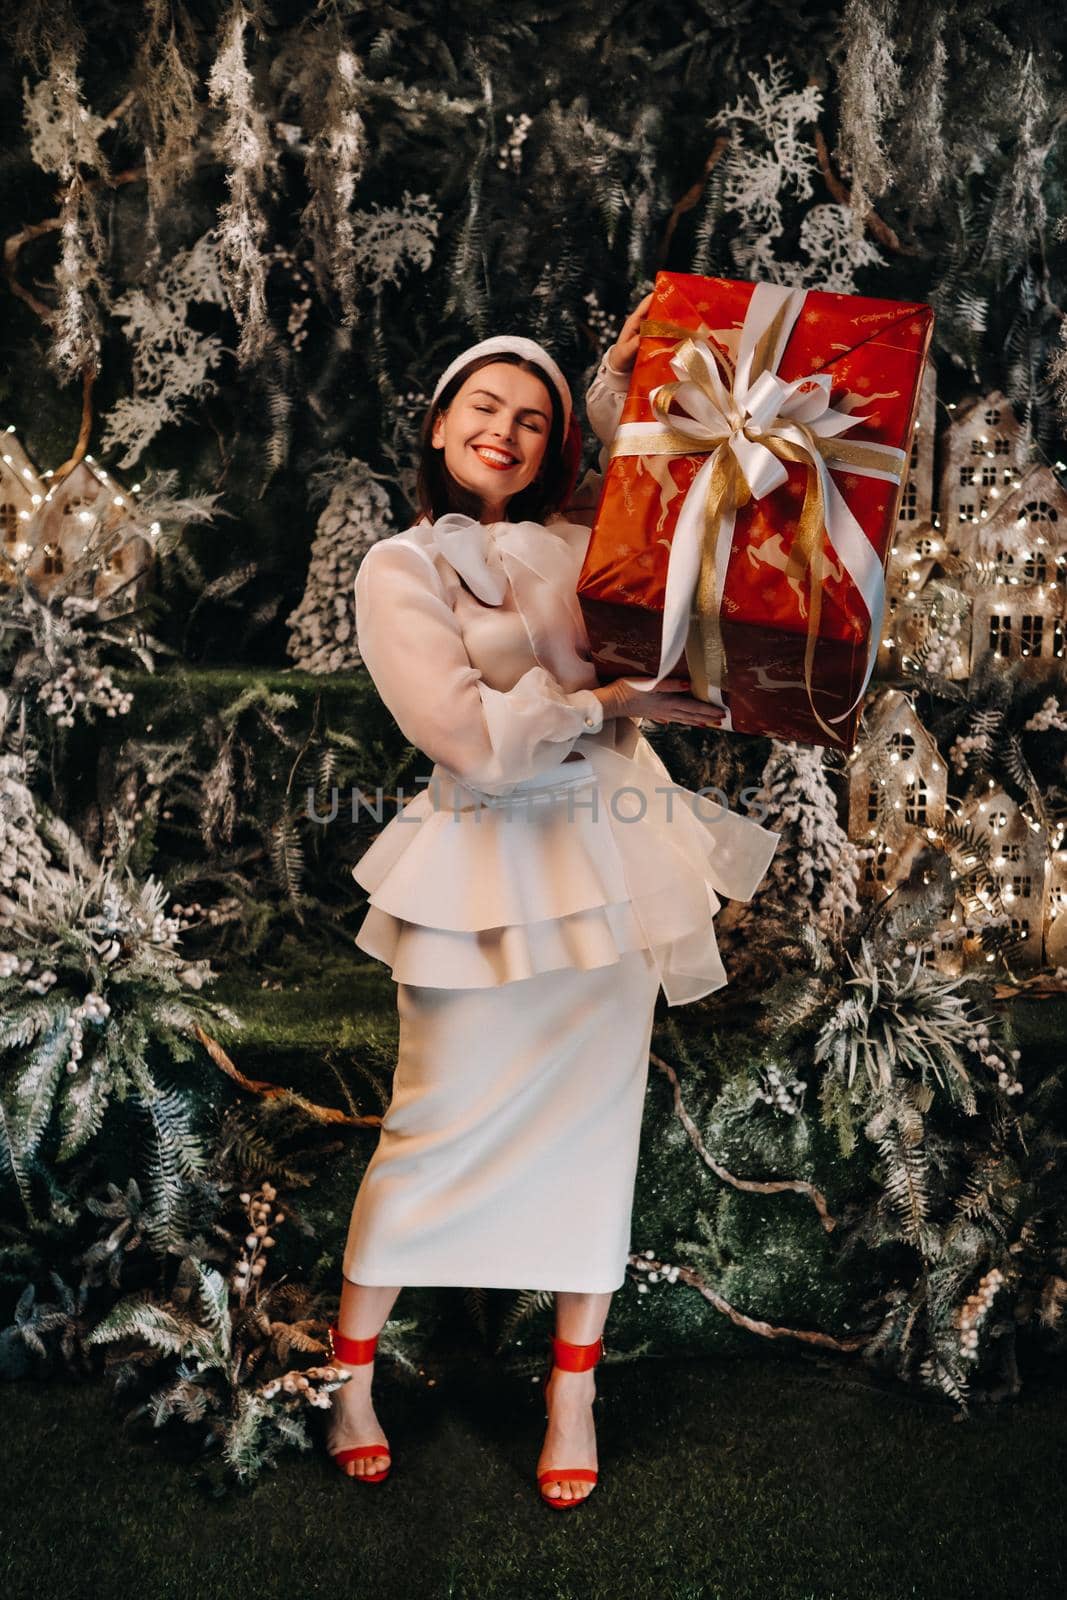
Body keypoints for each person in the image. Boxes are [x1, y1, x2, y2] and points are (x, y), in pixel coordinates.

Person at [324, 295, 780, 1507]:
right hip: (477, 867)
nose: (507, 432)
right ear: (436, 427)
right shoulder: (399, 568)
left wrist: (639, 373)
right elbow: (469, 740)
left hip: (609, 868)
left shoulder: (580, 542)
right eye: (484, 407)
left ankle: (569, 1387)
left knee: (595, 1132)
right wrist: (607, 707)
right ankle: (350, 1372)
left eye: (532, 419)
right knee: (429, 1122)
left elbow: (661, 504)